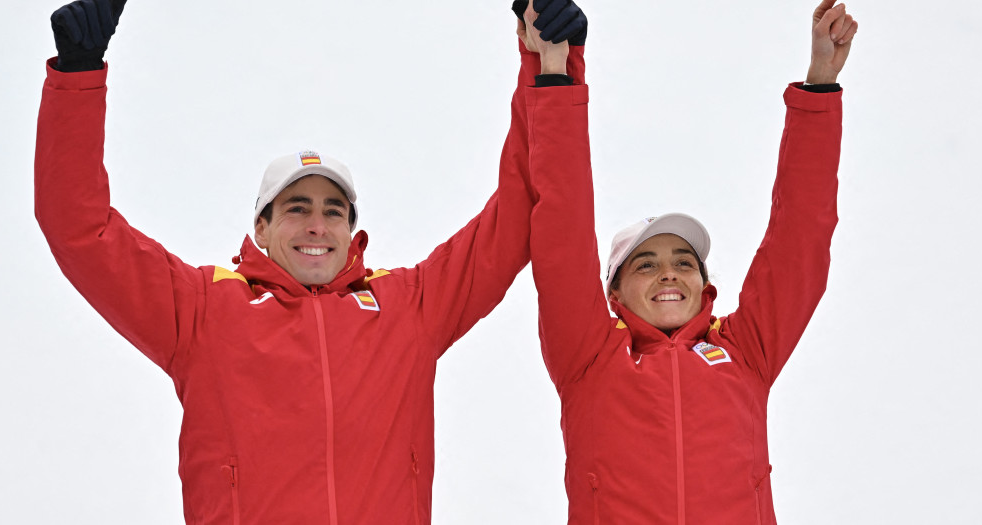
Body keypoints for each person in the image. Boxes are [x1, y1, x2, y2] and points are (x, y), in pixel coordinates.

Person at [34, 0, 586, 523]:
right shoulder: (204, 311)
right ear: (262, 229)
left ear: (352, 231)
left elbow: (518, 212)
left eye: (333, 211)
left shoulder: (409, 308)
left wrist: (547, 67)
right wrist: (78, 75)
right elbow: (81, 228)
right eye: (297, 208)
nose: (317, 226)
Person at [524, 0, 857, 523]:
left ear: (705, 286)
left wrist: (819, 87)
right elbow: (560, 228)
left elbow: (801, 240)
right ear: (612, 296)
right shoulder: (588, 358)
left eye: (684, 261)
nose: (669, 272)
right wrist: (555, 77)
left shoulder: (746, 354)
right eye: (645, 264)